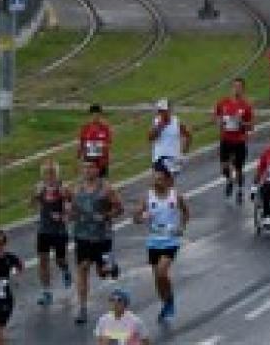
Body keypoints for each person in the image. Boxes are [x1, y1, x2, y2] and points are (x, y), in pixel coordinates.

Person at [133, 165, 188, 324]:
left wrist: (181, 227)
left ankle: (169, 300)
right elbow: (135, 219)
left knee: (163, 272)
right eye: (155, 178)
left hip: (170, 240)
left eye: (160, 178)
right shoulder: (148, 197)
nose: (157, 181)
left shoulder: (175, 195)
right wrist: (142, 217)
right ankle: (165, 303)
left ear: (167, 179)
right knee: (157, 278)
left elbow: (186, 212)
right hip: (153, 242)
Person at [71, 158, 123, 326]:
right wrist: (69, 215)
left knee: (103, 272)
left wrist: (106, 215)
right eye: (85, 167)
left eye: (91, 167)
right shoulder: (76, 188)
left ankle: (111, 266)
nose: (87, 170)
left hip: (102, 236)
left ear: (98, 170)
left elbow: (119, 209)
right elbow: (73, 209)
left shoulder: (106, 188)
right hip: (82, 235)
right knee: (83, 268)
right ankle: (82, 308)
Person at [31, 159, 72, 306]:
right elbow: (32, 204)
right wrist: (35, 196)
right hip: (44, 230)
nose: (49, 177)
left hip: (59, 231)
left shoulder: (63, 188)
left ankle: (66, 270)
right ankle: (47, 292)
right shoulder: (40, 187)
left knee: (60, 260)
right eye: (46, 174)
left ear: (57, 174)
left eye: (52, 174)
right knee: (43, 261)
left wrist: (61, 216)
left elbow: (70, 209)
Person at [214, 77, 254, 204]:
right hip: (225, 139)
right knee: (224, 167)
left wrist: (241, 122)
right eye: (235, 86)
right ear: (231, 88)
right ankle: (229, 180)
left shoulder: (246, 106)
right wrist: (219, 122)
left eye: (239, 87)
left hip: (239, 140)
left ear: (243, 89)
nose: (237, 89)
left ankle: (240, 190)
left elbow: (251, 126)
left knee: (238, 168)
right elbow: (216, 117)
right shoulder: (223, 103)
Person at [146, 99, 191, 175]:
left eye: (163, 111)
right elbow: (150, 138)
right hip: (159, 157)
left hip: (173, 158)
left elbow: (188, 136)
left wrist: (184, 152)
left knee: (167, 184)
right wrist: (160, 126)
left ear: (169, 110)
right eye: (160, 111)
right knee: (158, 182)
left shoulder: (176, 122)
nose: (161, 113)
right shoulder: (156, 122)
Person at [0, 231, 24, 345]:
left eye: (0, 243)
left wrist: (17, 276)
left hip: (5, 299)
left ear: (4, 244)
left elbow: (19, 265)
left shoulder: (9, 258)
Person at [78, 104, 113, 178]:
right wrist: (79, 158)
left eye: (97, 114)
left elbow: (108, 144)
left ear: (100, 115)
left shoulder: (105, 128)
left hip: (101, 163)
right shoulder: (85, 128)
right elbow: (81, 144)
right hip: (89, 163)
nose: (95, 117)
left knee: (102, 183)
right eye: (94, 114)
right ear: (91, 115)